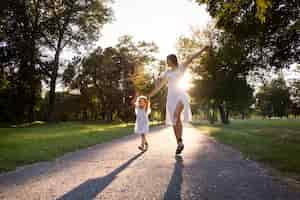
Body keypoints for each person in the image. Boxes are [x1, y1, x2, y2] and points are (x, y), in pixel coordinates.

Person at [147, 46, 209, 154]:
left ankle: (180, 142)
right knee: (175, 121)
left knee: (176, 115)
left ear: (172, 60)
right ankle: (179, 143)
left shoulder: (181, 67)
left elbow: (191, 58)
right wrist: (149, 95)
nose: (167, 62)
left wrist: (203, 50)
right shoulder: (167, 73)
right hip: (171, 98)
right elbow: (159, 86)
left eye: (168, 60)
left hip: (181, 94)